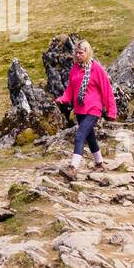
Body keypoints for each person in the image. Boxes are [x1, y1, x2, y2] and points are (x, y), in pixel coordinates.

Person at [54, 39, 117, 179]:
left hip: (93, 109)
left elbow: (107, 90)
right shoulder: (75, 69)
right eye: (76, 53)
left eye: (80, 53)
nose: (77, 55)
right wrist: (62, 99)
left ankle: (73, 168)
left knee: (80, 135)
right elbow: (70, 90)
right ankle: (99, 164)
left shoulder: (96, 69)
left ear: (87, 53)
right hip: (80, 110)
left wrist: (112, 111)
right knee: (90, 137)